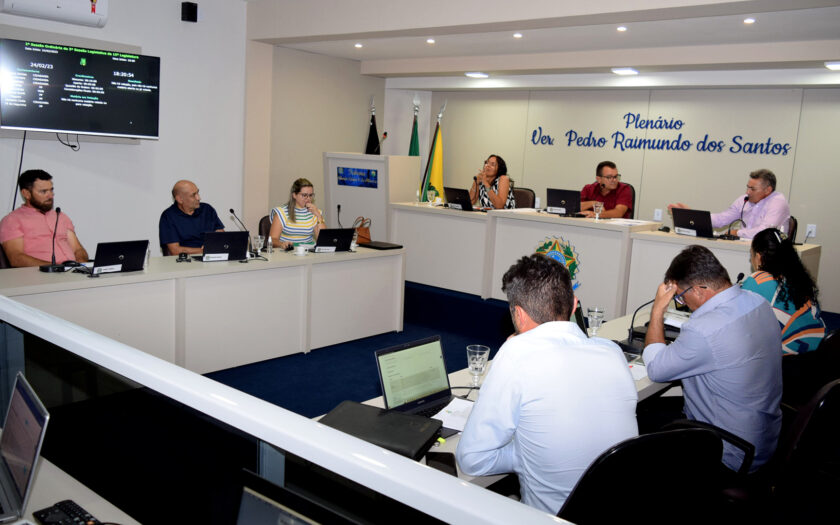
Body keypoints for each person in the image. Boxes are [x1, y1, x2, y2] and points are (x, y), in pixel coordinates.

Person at [456, 253, 638, 514]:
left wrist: (530, 452)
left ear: (517, 315)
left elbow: (472, 460)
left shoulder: (516, 355)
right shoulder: (611, 351)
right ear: (574, 305)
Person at [643, 245, 782, 473]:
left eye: (681, 296)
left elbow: (656, 369)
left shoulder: (705, 330)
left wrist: (658, 310)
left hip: (728, 451)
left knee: (640, 425)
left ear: (698, 290)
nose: (683, 302)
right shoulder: (759, 303)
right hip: (764, 437)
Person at [742, 228, 825, 355]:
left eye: (751, 255)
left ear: (759, 257)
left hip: (788, 360)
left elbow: (740, 322)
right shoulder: (799, 277)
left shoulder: (758, 280)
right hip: (820, 352)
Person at [0, 169, 88, 267]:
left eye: (51, 190)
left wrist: (81, 265)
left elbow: (78, 249)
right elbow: (16, 258)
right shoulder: (12, 220)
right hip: (39, 276)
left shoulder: (60, 216)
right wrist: (55, 268)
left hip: (71, 274)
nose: (50, 195)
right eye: (44, 191)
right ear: (26, 194)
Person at [669, 169, 790, 239]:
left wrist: (737, 233)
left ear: (768, 190)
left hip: (771, 254)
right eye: (747, 187)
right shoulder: (744, 200)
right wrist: (691, 215)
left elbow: (765, 232)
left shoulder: (778, 202)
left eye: (753, 189)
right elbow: (722, 219)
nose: (747, 192)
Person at [159, 180, 224, 255]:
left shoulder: (207, 209)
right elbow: (175, 250)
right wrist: (205, 250)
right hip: (184, 262)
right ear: (180, 199)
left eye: (198, 192)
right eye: (193, 195)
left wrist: (215, 245)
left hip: (210, 258)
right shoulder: (168, 216)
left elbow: (221, 235)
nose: (199, 197)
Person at [269, 178, 325, 249]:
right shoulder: (281, 212)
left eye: (311, 195)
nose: (308, 198)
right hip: (288, 252)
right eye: (304, 195)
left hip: (309, 252)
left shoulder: (315, 211)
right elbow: (272, 239)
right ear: (294, 195)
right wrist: (282, 244)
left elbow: (322, 241)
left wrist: (318, 216)